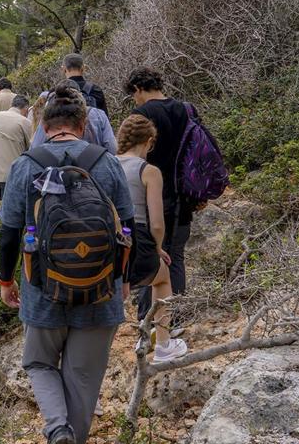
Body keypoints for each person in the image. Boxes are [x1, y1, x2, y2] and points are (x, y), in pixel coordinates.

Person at [0, 82, 135, 444]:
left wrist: (6, 280)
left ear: (42, 123)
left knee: (39, 364)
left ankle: (56, 430)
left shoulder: (26, 164)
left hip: (42, 290)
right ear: (83, 122)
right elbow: (129, 229)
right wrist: (123, 282)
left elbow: (8, 231)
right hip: (101, 293)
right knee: (83, 380)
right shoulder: (106, 163)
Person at [125, 67, 195, 323]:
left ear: (138, 89)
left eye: (134, 95)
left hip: (154, 193)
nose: (135, 100)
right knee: (176, 257)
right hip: (184, 194)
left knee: (153, 257)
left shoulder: (142, 114)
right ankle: (174, 319)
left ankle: (149, 320)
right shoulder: (186, 109)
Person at [116, 115, 188, 362]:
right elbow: (156, 222)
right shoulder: (149, 171)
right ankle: (164, 345)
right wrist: (158, 248)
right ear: (148, 142)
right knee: (162, 277)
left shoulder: (107, 164)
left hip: (109, 239)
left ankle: (143, 336)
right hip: (138, 238)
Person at [30, 92, 117, 154]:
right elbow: (112, 147)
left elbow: (34, 146)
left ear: (45, 128)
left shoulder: (27, 163)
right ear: (82, 126)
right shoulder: (107, 162)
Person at [0, 94, 33, 201]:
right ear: (25, 108)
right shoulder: (25, 122)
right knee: (9, 214)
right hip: (11, 176)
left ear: (12, 105)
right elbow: (32, 147)